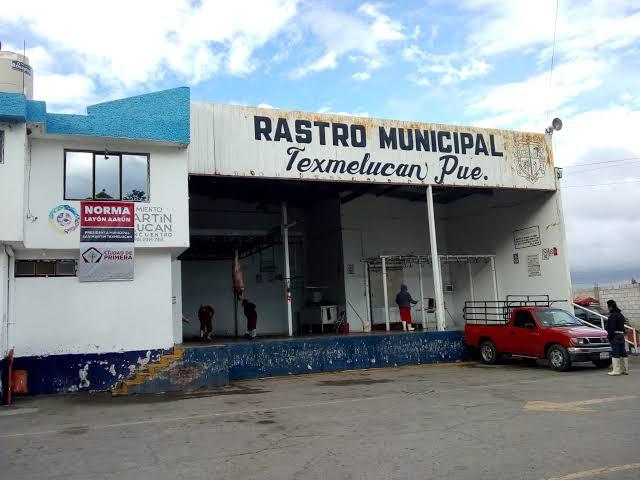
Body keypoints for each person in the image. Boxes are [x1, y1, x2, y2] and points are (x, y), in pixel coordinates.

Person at [606, 299, 628, 376]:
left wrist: (608, 336)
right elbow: (623, 326)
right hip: (621, 335)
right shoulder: (621, 315)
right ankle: (625, 369)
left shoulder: (612, 316)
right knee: (623, 352)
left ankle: (616, 370)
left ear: (610, 307)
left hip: (615, 336)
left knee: (615, 352)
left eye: (608, 306)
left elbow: (611, 328)